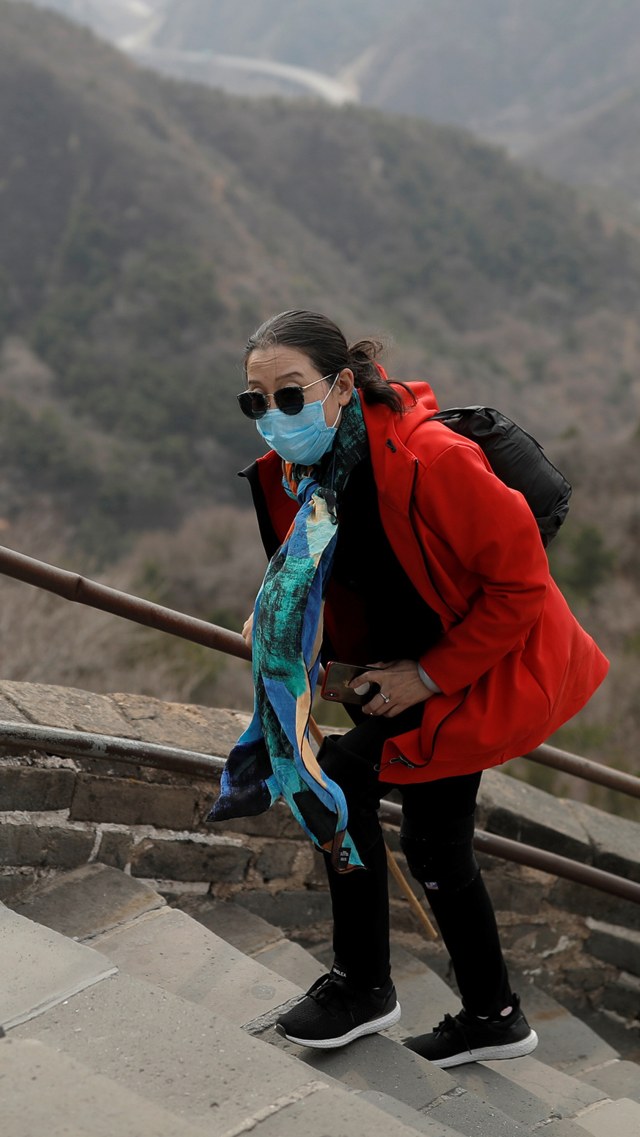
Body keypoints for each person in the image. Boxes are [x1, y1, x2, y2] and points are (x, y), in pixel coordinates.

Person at [209, 309, 608, 1067]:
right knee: (434, 843)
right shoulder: (307, 474)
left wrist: (427, 676)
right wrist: (280, 630)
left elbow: (522, 587)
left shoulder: (433, 459)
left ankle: (367, 985)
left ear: (343, 385)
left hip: (473, 664)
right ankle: (492, 1014)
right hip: (402, 670)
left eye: (290, 395)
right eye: (255, 401)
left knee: (348, 786)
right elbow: (331, 578)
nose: (272, 417)